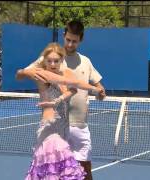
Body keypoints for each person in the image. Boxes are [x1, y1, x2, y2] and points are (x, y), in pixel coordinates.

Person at [16, 20, 106, 180]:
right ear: (64, 35)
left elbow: (87, 85)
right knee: (53, 170)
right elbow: (23, 73)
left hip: (78, 125)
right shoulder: (50, 58)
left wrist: (99, 91)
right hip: (54, 126)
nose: (70, 44)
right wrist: (25, 72)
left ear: (81, 40)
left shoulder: (85, 61)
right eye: (68, 39)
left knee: (83, 170)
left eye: (75, 41)